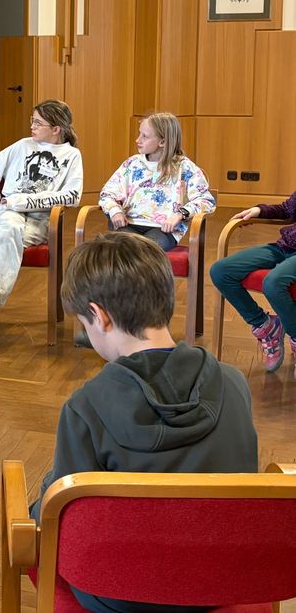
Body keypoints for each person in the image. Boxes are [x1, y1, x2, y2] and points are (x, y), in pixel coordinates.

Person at [33, 232, 257, 613]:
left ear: (99, 315)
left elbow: (67, 525)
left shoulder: (84, 407)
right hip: (222, 581)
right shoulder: (235, 383)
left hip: (117, 594)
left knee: (43, 501)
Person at [0, 100, 82, 349]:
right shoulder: (22, 146)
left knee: (1, 240)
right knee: (6, 229)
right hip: (7, 214)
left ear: (56, 129)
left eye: (38, 122)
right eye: (32, 120)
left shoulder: (71, 155)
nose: (32, 126)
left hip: (41, 218)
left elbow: (72, 196)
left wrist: (20, 201)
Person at [99, 112, 215, 252]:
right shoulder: (132, 164)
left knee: (143, 251)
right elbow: (107, 193)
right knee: (123, 248)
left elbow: (206, 200)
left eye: (145, 136)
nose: (137, 140)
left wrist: (180, 215)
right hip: (127, 224)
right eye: (139, 134)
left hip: (162, 230)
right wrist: (115, 211)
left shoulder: (184, 167)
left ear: (163, 142)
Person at [209, 190, 296, 375]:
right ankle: (266, 326)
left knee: (273, 283)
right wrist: (258, 210)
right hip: (285, 247)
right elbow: (287, 209)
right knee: (221, 271)